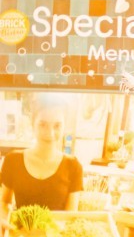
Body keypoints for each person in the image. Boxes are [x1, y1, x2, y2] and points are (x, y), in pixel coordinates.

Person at [0, 95, 83, 223]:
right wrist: (3, 220)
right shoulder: (13, 160)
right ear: (33, 124)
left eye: (57, 125)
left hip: (56, 235)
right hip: (20, 233)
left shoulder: (73, 166)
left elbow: (70, 217)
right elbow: (4, 202)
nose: (50, 133)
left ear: (64, 127)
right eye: (42, 124)